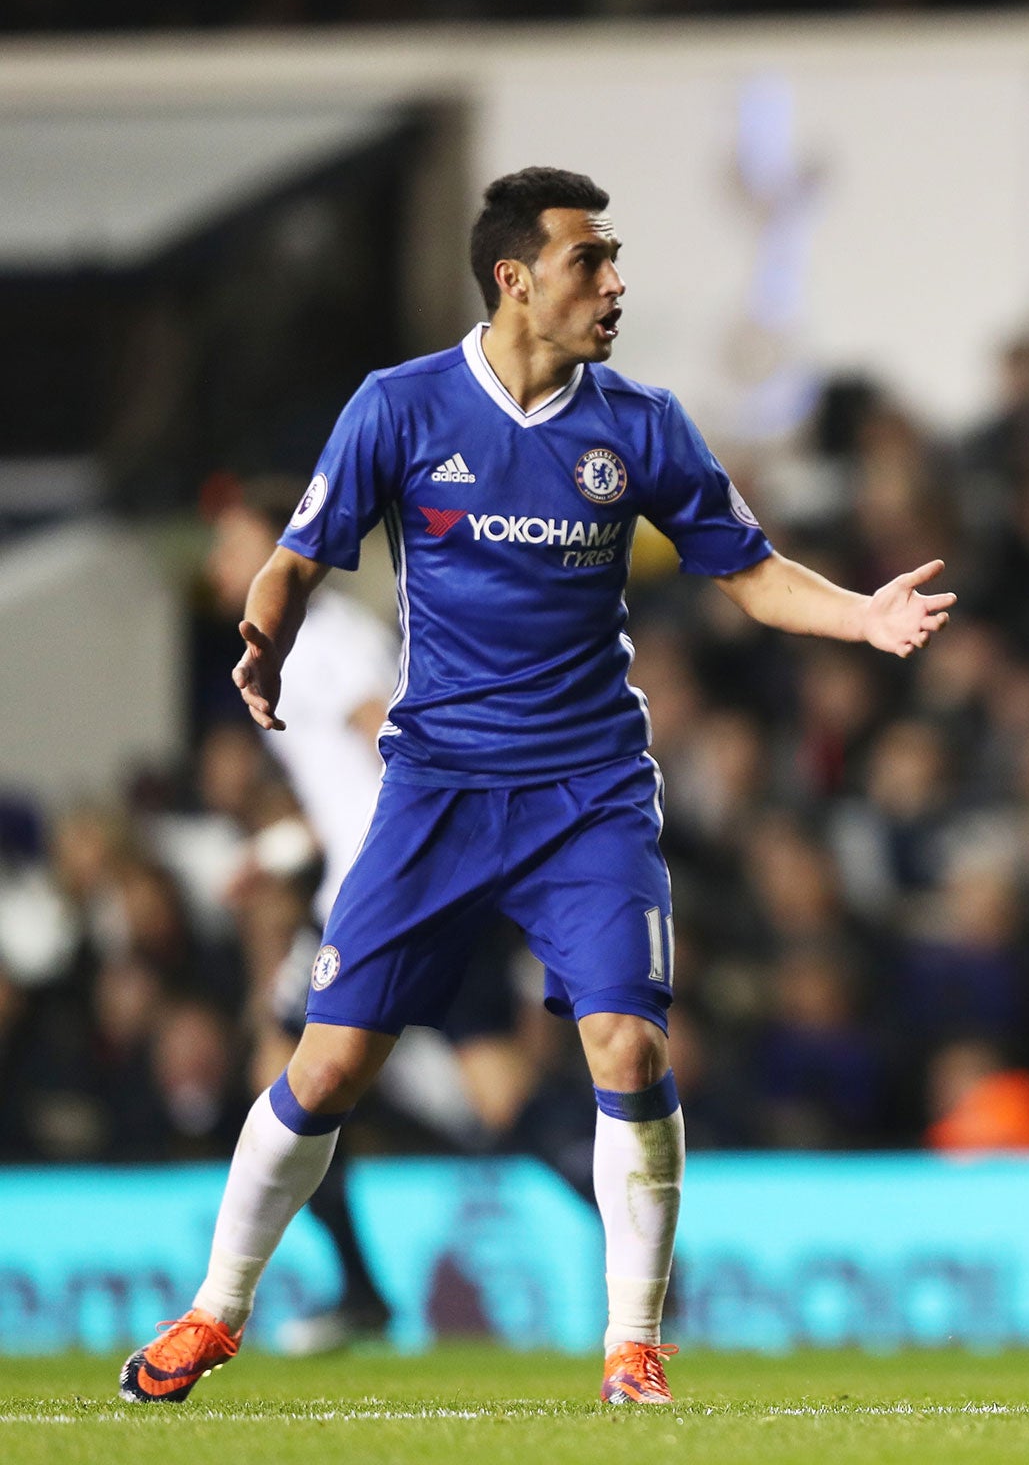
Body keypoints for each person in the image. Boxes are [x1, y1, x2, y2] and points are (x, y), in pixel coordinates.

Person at [122, 167, 954, 1407]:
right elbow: (298, 553)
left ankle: (633, 1349)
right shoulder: (399, 408)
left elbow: (752, 568)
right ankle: (214, 1311)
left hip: (589, 790)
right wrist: (265, 634)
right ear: (515, 278)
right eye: (589, 260)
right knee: (327, 1069)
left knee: (624, 1042)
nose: (614, 283)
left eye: (613, 259)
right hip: (439, 790)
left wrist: (860, 618)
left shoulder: (641, 423)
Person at [204, 479, 543, 1354]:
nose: (220, 562)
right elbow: (344, 796)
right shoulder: (303, 644)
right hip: (388, 890)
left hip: (390, 899)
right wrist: (277, 855)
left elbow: (399, 746)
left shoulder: (326, 643)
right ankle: (359, 1290)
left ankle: (357, 1291)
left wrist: (428, 874)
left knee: (305, 1085)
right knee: (309, 1077)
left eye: (235, 542)